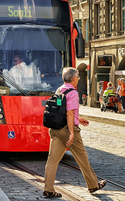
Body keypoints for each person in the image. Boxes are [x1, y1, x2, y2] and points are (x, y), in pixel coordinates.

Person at [43, 67, 106, 197]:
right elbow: (69, 113)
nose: (78, 78)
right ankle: (93, 185)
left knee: (52, 160)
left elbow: (62, 110)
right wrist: (72, 133)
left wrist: (79, 119)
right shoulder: (73, 92)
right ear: (73, 78)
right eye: (78, 76)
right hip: (67, 129)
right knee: (82, 158)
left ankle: (48, 189)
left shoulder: (60, 89)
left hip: (56, 129)